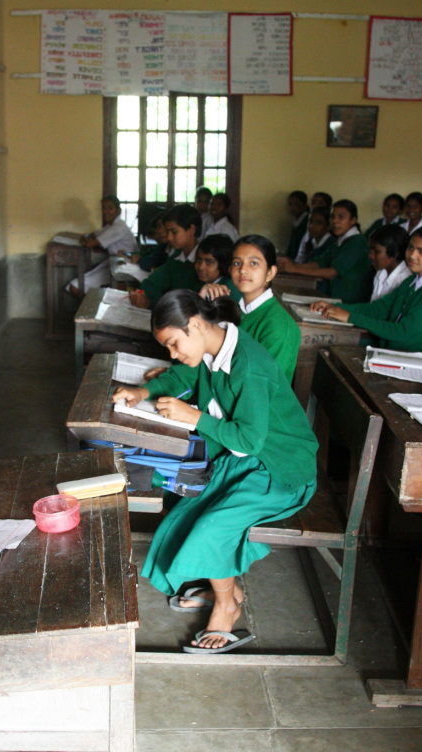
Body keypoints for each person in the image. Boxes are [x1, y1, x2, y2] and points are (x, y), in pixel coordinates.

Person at [111, 290, 317, 652]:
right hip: (247, 463)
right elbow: (178, 376)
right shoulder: (212, 348)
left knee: (212, 525)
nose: (173, 354)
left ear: (194, 325)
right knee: (187, 510)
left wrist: (193, 417)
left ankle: (228, 604)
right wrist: (142, 391)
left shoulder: (246, 365)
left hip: (280, 470)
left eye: (175, 344)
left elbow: (250, 440)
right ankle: (227, 585)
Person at [313, 225, 422, 358]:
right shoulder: (411, 282)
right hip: (395, 354)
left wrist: (350, 317)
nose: (412, 255)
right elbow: (378, 309)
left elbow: (402, 331)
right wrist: (335, 308)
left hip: (418, 361)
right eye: (411, 248)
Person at [199, 235, 300, 382]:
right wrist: (202, 302)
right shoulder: (234, 310)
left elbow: (261, 386)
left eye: (253, 263)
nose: (243, 270)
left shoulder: (278, 325)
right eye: (237, 263)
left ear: (270, 273)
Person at [279, 200, 373, 302]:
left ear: (353, 220)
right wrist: (292, 266)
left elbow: (333, 273)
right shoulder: (340, 241)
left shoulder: (357, 242)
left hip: (352, 302)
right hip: (338, 299)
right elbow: (320, 263)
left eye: (341, 217)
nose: (335, 221)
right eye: (332, 217)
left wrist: (294, 269)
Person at [131, 205, 202, 308]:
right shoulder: (176, 258)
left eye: (174, 232)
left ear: (191, 230)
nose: (169, 237)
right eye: (168, 232)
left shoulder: (204, 262)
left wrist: (153, 303)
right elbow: (148, 284)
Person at [66, 194, 138, 295]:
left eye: (110, 208)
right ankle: (91, 307)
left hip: (123, 267)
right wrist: (86, 238)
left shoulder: (118, 227)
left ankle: (89, 308)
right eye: (103, 208)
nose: (106, 212)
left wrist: (87, 240)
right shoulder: (111, 226)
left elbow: (90, 243)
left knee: (74, 287)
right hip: (114, 264)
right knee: (76, 286)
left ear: (118, 210)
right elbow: (91, 235)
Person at [368, 224, 412, 301]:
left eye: (376, 251)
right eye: (370, 250)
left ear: (395, 252)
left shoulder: (404, 281)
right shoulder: (381, 273)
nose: (370, 256)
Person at [193, 233, 242, 300]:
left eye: (209, 262)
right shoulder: (199, 283)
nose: (201, 267)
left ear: (224, 264)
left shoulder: (230, 288)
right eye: (199, 259)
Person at [284, 190, 311, 259]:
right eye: (290, 204)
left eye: (297, 204)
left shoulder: (307, 222)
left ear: (304, 206)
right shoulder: (296, 221)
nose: (293, 207)